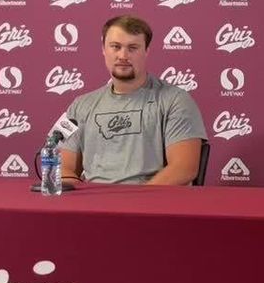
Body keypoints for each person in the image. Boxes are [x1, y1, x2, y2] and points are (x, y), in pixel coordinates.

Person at [60, 15, 207, 185]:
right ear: (103, 49)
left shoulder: (176, 100)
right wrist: (83, 203)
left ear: (146, 51)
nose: (123, 55)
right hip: (94, 204)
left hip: (150, 205)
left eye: (133, 48)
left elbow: (184, 168)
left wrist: (134, 203)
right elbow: (61, 166)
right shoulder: (79, 105)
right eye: (115, 47)